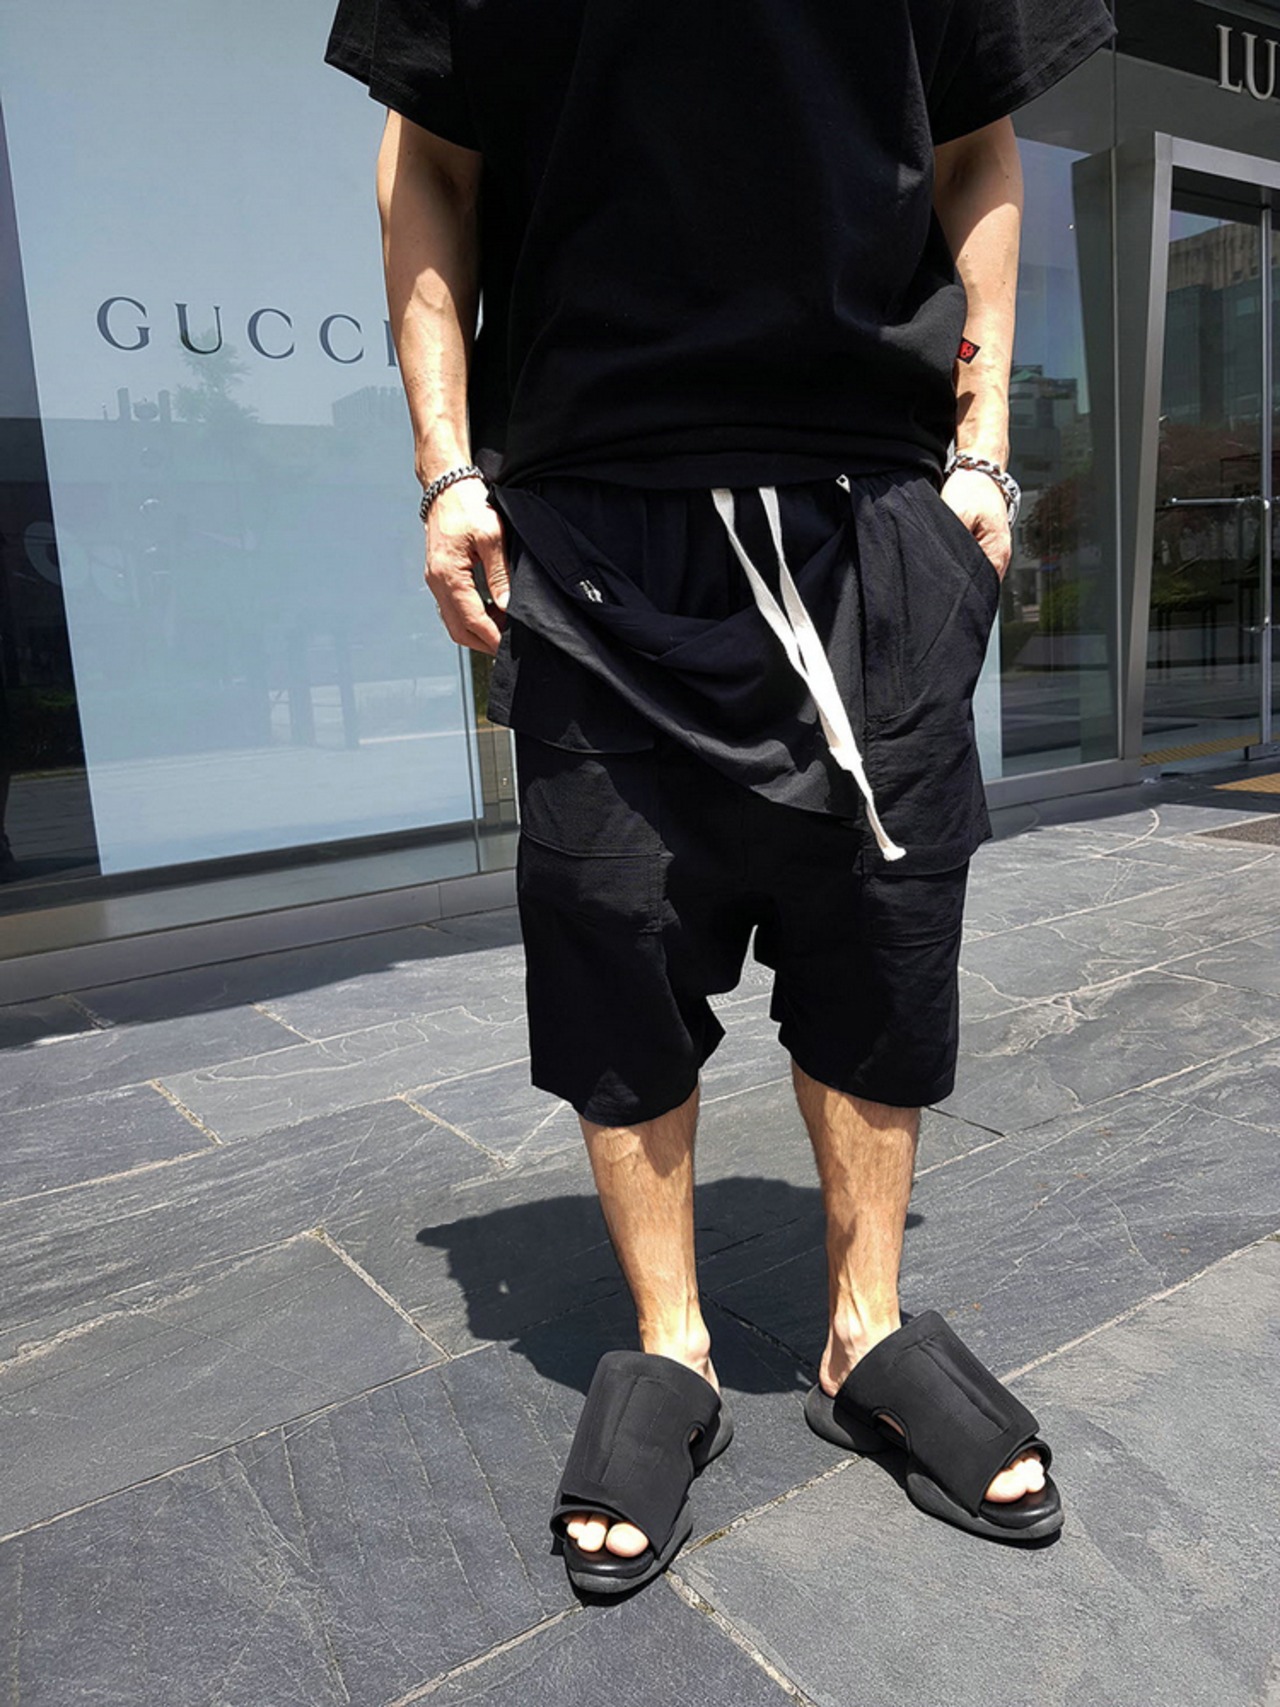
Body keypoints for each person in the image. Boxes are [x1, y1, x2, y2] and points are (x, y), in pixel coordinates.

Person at [325, 0, 1115, 1594]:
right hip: (594, 512)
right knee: (612, 942)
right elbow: (430, 165)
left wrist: (980, 446)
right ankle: (672, 1346)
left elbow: (975, 143)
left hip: (870, 506)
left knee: (885, 938)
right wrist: (446, 468)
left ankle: (864, 1331)